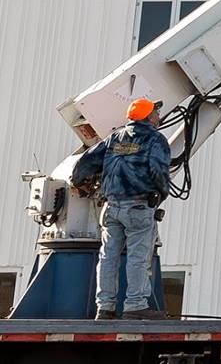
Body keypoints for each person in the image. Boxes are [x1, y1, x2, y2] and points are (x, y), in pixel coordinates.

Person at [73, 98, 173, 320]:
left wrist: (78, 181)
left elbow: (86, 162)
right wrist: (162, 193)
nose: (159, 116)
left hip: (112, 207)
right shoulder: (155, 140)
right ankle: (135, 305)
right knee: (138, 257)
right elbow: (158, 170)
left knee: (108, 257)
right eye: (156, 112)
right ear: (148, 117)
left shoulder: (115, 137)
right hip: (138, 205)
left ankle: (105, 307)